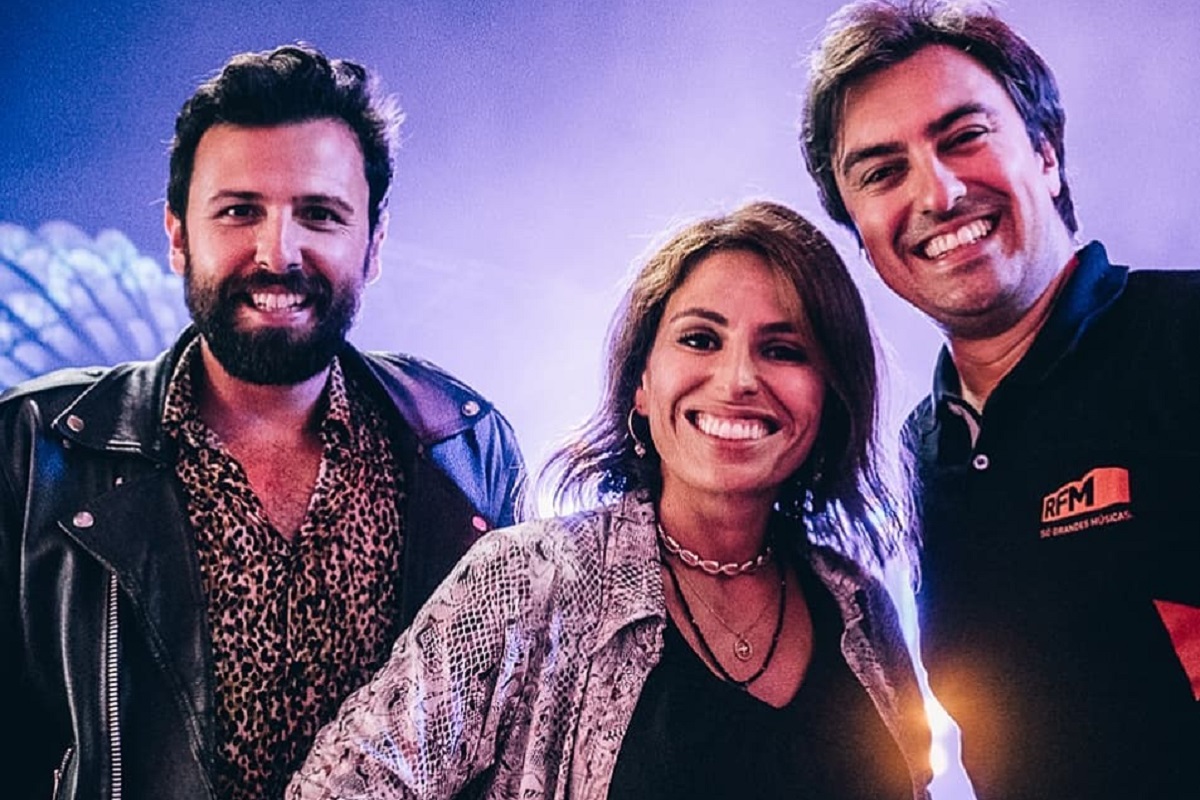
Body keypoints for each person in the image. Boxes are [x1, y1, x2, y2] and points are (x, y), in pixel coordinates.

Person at [0, 43, 526, 800]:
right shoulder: (31, 451)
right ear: (178, 236)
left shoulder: (469, 449)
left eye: (319, 214)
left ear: (374, 246)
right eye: (239, 211)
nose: (278, 252)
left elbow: (511, 749)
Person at [286, 200, 932, 800]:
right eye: (700, 339)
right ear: (641, 384)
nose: (738, 379)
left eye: (783, 350)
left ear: (830, 396)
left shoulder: (857, 606)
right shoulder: (529, 579)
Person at [801, 1, 1200, 797]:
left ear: (1046, 155)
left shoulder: (1183, 337)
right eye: (882, 172)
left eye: (964, 137)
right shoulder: (921, 454)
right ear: (862, 234)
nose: (939, 192)